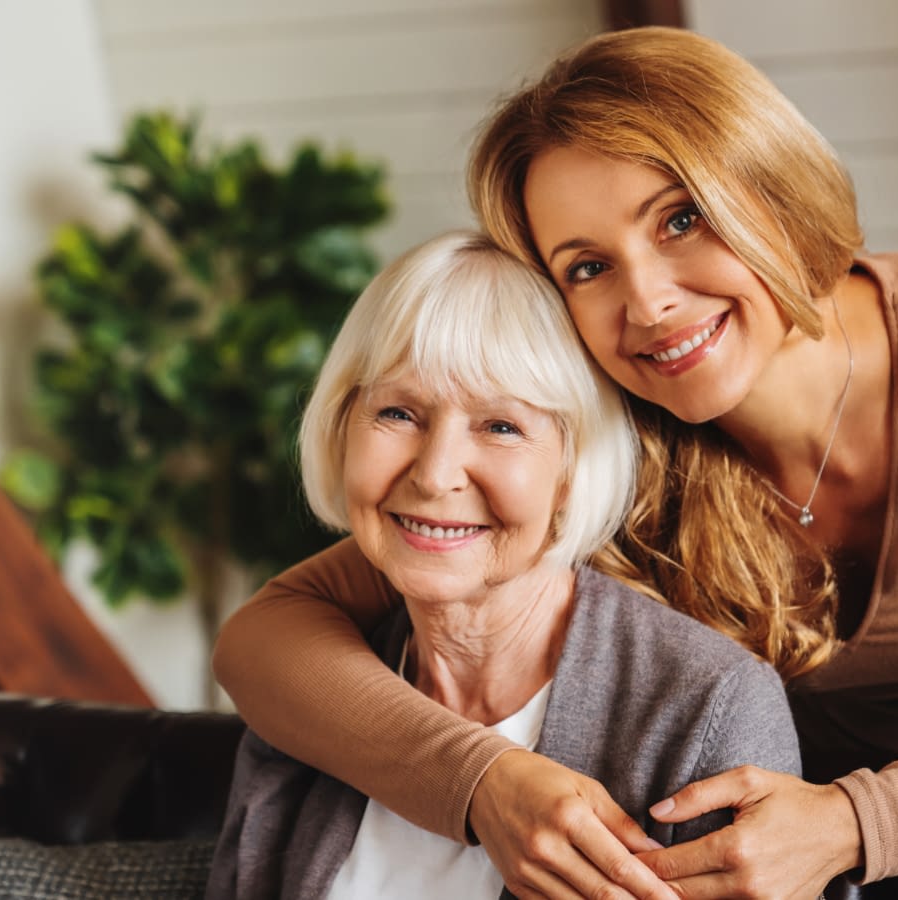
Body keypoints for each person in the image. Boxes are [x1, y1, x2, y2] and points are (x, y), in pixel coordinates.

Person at [213, 27, 898, 900]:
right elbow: (265, 638)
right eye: (587, 266)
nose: (648, 302)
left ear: (770, 188)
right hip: (737, 863)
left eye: (680, 220)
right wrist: (480, 782)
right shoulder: (610, 428)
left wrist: (848, 824)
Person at [205, 230, 802, 900]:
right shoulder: (308, 703)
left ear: (573, 467)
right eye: (397, 412)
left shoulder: (708, 707)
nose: (435, 475)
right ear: (341, 427)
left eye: (501, 427)